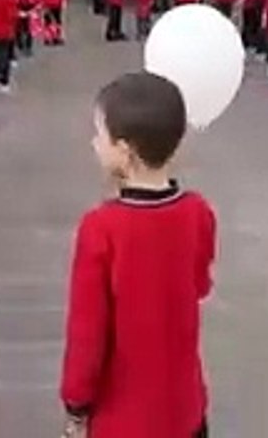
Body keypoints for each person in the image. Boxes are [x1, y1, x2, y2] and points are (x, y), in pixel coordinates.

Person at [60, 72, 215, 438]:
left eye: (100, 135)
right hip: (184, 405)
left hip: (124, 417)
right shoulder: (198, 212)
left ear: (124, 151)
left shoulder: (101, 228)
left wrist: (76, 402)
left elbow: (88, 330)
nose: (94, 143)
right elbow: (199, 284)